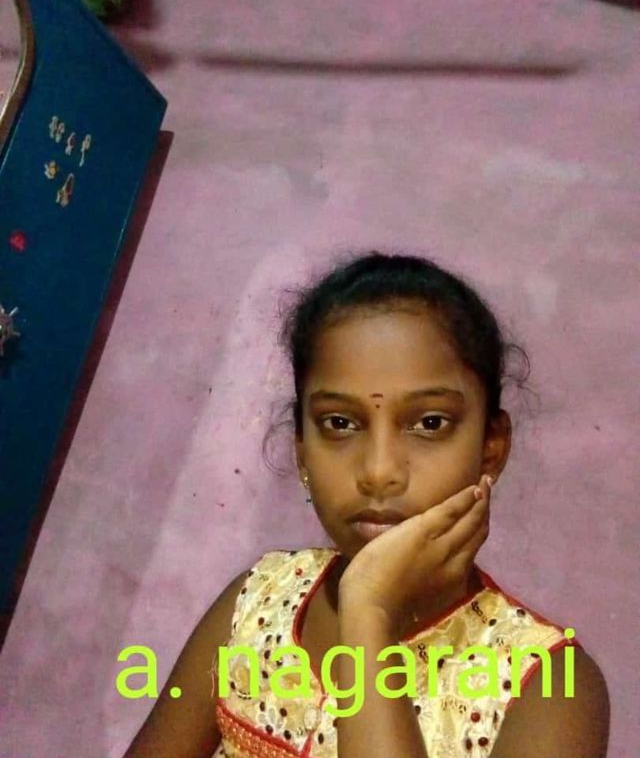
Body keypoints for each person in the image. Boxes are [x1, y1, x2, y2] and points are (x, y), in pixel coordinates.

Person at [123, 251, 609, 758]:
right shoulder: (258, 601)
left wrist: (369, 612)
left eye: (430, 423)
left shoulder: (550, 685)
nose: (378, 471)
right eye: (340, 423)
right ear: (301, 448)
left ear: (492, 447)